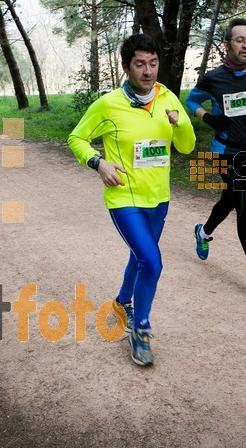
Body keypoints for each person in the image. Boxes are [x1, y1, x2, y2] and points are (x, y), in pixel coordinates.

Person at [68, 34, 195, 366]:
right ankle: (140, 329)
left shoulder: (168, 98)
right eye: (140, 64)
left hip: (159, 198)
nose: (148, 71)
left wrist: (179, 123)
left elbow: (187, 146)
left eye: (153, 63)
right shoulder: (108, 105)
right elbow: (76, 137)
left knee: (141, 256)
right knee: (152, 262)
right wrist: (98, 162)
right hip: (124, 197)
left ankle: (123, 301)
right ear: (126, 67)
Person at [185, 18, 246, 296]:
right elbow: (191, 100)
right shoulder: (213, 78)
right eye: (240, 40)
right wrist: (208, 118)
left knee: (229, 199)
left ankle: (203, 232)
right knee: (244, 205)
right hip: (225, 151)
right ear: (226, 44)